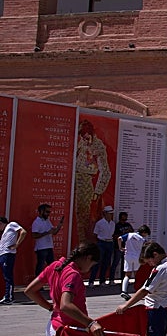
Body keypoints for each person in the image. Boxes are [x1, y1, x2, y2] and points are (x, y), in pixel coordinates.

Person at [114, 241, 167, 336]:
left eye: (150, 261)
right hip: (166, 305)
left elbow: (145, 290)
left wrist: (126, 305)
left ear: (155, 254)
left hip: (155, 306)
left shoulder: (160, 269)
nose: (150, 264)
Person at [73, 119, 111, 250]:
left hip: (84, 180)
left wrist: (97, 192)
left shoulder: (98, 146)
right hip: (72, 177)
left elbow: (105, 171)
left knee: (82, 215)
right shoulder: (79, 142)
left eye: (86, 136)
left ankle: (83, 247)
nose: (84, 139)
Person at [119, 225, 151, 299]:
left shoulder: (129, 235)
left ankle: (124, 291)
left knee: (127, 274)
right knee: (137, 274)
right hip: (137, 257)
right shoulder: (142, 240)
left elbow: (119, 238)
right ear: (144, 232)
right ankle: (139, 291)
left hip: (128, 256)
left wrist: (121, 247)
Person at [0, 217, 27, 305]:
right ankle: (7, 295)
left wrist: (17, 245)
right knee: (5, 275)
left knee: (8, 276)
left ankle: (9, 297)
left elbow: (23, 232)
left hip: (8, 254)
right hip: (3, 254)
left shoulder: (11, 224)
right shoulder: (5, 232)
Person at [31, 203, 64, 273]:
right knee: (40, 265)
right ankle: (37, 281)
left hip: (49, 246)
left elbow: (54, 232)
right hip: (41, 248)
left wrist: (59, 226)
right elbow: (34, 235)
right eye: (47, 212)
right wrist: (47, 232)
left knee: (52, 265)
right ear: (41, 211)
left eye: (49, 212)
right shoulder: (36, 222)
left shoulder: (47, 221)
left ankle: (51, 281)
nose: (49, 214)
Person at [90, 206, 116, 287]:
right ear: (105, 213)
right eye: (109, 213)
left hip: (110, 242)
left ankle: (102, 281)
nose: (110, 215)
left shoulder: (112, 223)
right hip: (101, 242)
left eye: (111, 214)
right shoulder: (99, 223)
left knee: (106, 263)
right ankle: (91, 281)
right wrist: (96, 244)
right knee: (97, 262)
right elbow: (95, 234)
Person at [111, 211, 133, 285]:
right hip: (118, 247)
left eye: (125, 218)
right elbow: (114, 236)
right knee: (115, 263)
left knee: (125, 264)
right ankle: (111, 279)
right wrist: (122, 235)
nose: (125, 220)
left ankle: (123, 279)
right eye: (123, 218)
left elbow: (132, 234)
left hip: (126, 247)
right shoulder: (117, 226)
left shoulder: (128, 225)